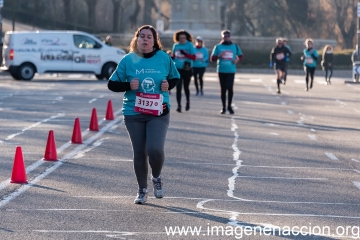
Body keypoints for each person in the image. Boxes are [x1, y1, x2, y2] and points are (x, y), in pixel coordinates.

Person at [107, 25, 180, 204]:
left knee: (154, 149)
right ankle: (142, 190)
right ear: (136, 39)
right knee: (139, 152)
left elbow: (174, 77)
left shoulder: (163, 58)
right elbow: (112, 84)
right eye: (142, 36)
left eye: (149, 37)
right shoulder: (128, 60)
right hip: (134, 111)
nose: (145, 39)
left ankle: (156, 177)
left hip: (158, 111)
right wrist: (127, 85)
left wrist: (168, 86)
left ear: (155, 41)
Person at [210, 30, 243, 114]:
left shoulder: (235, 46)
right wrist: (219, 55)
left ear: (230, 37)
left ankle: (229, 106)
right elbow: (212, 59)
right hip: (221, 70)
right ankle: (224, 107)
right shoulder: (218, 46)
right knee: (223, 89)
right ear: (222, 37)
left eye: (228, 36)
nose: (226, 37)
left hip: (231, 70)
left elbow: (241, 56)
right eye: (225, 36)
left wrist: (237, 60)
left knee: (230, 88)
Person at [171, 30, 196, 112]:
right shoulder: (176, 45)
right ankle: (179, 106)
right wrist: (171, 56)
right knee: (178, 88)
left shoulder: (190, 45)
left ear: (187, 38)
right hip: (177, 69)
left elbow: (193, 57)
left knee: (186, 87)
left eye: (183, 38)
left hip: (187, 69)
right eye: (180, 38)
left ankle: (188, 102)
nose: (182, 39)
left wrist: (185, 54)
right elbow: (174, 56)